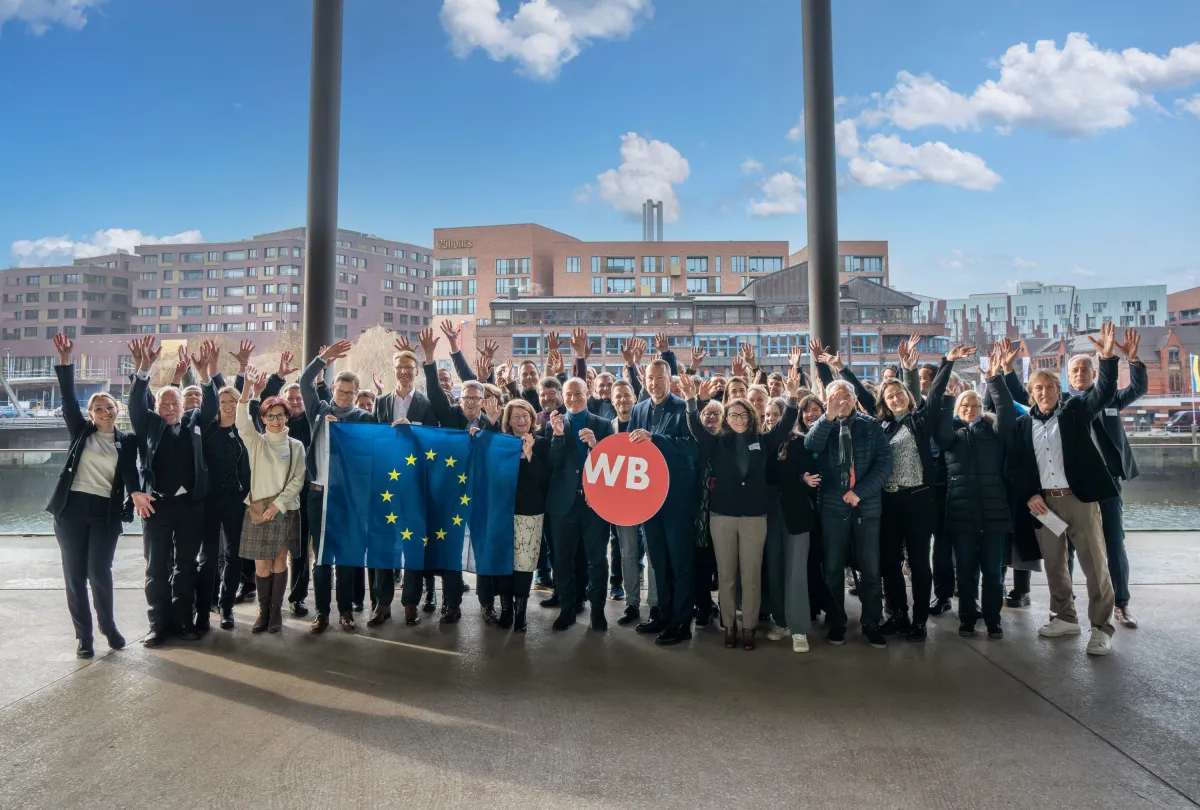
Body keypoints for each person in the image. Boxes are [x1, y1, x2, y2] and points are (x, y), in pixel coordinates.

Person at [1010, 322, 1121, 656]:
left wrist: (1108, 360)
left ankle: (1101, 627)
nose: (1044, 393)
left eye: (1049, 387)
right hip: (1045, 506)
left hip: (1078, 500)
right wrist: (1030, 494)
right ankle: (1064, 616)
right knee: (1055, 565)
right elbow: (1017, 467)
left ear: (1059, 390)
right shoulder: (1022, 425)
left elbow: (1102, 392)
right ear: (1031, 393)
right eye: (1038, 389)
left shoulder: (1074, 412)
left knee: (1094, 565)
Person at [683, 370, 799, 650]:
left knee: (750, 575)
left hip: (754, 518)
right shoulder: (716, 442)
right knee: (726, 575)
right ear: (726, 419)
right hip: (721, 516)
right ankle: (729, 626)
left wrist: (793, 397)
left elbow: (785, 426)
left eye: (742, 415)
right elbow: (696, 428)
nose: (737, 419)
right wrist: (690, 402)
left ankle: (748, 627)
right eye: (732, 415)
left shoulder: (764, 440)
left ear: (751, 418)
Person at [48, 334, 146, 658]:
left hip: (105, 512)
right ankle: (84, 637)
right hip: (71, 509)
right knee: (75, 576)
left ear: (116, 410)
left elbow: (131, 471)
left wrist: (135, 493)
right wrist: (65, 361)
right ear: (90, 414)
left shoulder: (126, 441)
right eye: (98, 408)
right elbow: (66, 399)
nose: (104, 411)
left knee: (99, 572)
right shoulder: (80, 432)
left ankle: (108, 626)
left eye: (109, 407)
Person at [128, 336, 218, 648]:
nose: (169, 407)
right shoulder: (149, 425)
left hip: (190, 508)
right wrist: (144, 369)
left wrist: (204, 375)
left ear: (183, 406)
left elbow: (212, 406)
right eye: (164, 403)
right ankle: (157, 624)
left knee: (186, 567)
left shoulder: (195, 421)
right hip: (157, 507)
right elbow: (135, 404)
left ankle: (183, 620)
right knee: (155, 568)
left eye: (174, 403)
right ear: (156, 407)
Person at [927, 344, 1015, 639]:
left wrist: (993, 379)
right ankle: (967, 618)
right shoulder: (950, 438)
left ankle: (993, 620)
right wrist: (947, 364)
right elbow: (934, 399)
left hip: (994, 515)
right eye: (964, 406)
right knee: (965, 573)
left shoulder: (993, 433)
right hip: (961, 515)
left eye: (975, 406)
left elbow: (1005, 413)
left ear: (981, 409)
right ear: (957, 410)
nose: (969, 410)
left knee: (992, 573)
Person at [1065, 329, 1145, 629]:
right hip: (1073, 487)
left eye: (1086, 369)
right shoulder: (1062, 405)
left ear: (1094, 372)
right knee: (1069, 545)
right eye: (1075, 370)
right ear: (1068, 376)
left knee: (1114, 542)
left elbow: (1137, 389)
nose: (1080, 374)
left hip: (1109, 483)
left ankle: (1121, 604)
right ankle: (1066, 605)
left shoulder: (1109, 398)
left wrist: (1133, 361)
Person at [804, 379, 893, 648]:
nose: (841, 401)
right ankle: (837, 621)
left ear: (855, 399)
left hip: (866, 506)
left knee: (870, 567)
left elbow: (884, 463)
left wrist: (860, 492)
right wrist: (828, 417)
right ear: (827, 400)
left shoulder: (871, 426)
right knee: (832, 567)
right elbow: (811, 447)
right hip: (832, 506)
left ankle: (871, 622)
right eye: (834, 397)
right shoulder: (823, 426)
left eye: (846, 396)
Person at [300, 341, 376, 633]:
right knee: (320, 558)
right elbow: (304, 381)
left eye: (350, 392)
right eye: (340, 391)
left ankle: (345, 612)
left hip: (348, 498)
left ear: (357, 394)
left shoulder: (363, 418)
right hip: (318, 495)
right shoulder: (318, 411)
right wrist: (323, 358)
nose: (344, 396)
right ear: (333, 390)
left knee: (344, 555)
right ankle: (321, 613)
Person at [872, 337, 941, 642]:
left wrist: (908, 370)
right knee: (889, 561)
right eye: (890, 397)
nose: (896, 399)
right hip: (889, 501)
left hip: (917, 500)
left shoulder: (918, 421)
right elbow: (862, 396)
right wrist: (838, 370)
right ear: (884, 404)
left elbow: (929, 396)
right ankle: (898, 613)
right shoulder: (881, 428)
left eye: (899, 394)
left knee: (918, 562)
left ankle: (920, 619)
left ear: (908, 396)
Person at [628, 358, 697, 646]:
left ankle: (682, 622)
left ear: (670, 379)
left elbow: (693, 445)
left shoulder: (684, 408)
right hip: (648, 499)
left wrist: (655, 439)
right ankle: (664, 614)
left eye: (659, 377)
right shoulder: (638, 408)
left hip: (677, 498)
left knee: (681, 561)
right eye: (649, 378)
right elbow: (628, 450)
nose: (654, 383)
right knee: (658, 561)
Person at [235, 373, 306, 634]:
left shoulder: (296, 445)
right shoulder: (256, 442)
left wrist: (279, 504)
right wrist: (246, 391)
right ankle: (263, 612)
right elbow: (242, 422)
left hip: (285, 510)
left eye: (280, 415)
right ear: (263, 418)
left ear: (287, 417)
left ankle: (276, 613)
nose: (275, 420)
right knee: (261, 563)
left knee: (279, 561)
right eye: (270, 416)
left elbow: (298, 478)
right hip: (259, 508)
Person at [546, 378, 614, 631]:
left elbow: (612, 467)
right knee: (562, 560)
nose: (574, 399)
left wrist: (597, 446)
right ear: (563, 397)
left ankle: (597, 610)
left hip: (594, 504)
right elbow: (552, 464)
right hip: (563, 504)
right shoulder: (555, 424)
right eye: (569, 395)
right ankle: (567, 609)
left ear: (588, 394)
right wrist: (557, 436)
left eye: (579, 394)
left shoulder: (604, 425)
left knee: (597, 560)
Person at [493, 399, 550, 632]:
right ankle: (506, 610)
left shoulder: (543, 444)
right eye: (516, 416)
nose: (522, 421)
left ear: (532, 419)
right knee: (505, 562)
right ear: (509, 421)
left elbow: (545, 479)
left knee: (524, 564)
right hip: (503, 511)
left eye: (525, 416)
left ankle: (521, 613)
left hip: (530, 512)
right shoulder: (500, 443)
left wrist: (529, 455)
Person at [200, 382, 250, 631]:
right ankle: (205, 606)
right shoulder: (206, 430)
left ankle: (227, 606)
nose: (228, 406)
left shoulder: (245, 430)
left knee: (233, 554)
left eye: (233, 401)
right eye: (224, 402)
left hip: (236, 499)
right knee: (208, 556)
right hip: (208, 500)